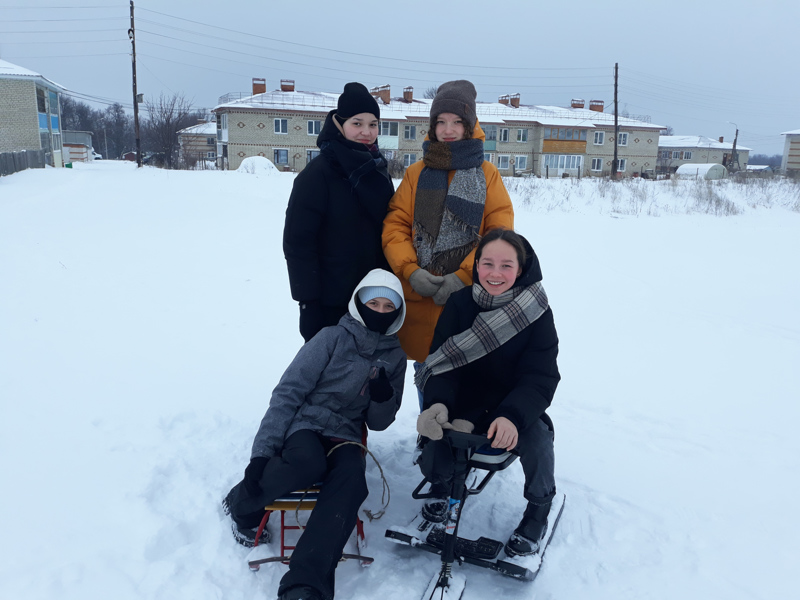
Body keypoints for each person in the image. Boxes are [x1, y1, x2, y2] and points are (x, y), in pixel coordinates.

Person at [223, 269, 407, 600]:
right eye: (373, 303)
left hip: (347, 434)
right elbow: (288, 392)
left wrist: (383, 398)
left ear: (397, 312)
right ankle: (242, 502)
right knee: (307, 464)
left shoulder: (394, 357)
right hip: (307, 423)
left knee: (352, 480)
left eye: (387, 307)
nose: (379, 311)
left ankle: (304, 584)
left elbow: (380, 422)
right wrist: (260, 456)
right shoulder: (331, 338)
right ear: (358, 303)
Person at [413, 228, 560, 558]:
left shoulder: (537, 312)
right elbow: (442, 364)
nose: (495, 274)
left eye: (506, 266)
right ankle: (443, 484)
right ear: (477, 265)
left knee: (537, 439)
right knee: (437, 432)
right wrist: (438, 402)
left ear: (521, 269)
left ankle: (538, 509)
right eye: (487, 263)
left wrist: (511, 416)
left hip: (513, 403)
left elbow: (540, 377)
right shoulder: (460, 303)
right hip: (465, 399)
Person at [382, 79, 514, 399]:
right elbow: (395, 226)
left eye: (457, 122)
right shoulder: (416, 174)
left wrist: (464, 276)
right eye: (440, 122)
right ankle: (429, 438)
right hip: (421, 295)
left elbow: (499, 233)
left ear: (470, 126)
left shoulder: (487, 173)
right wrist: (411, 270)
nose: (448, 129)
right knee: (426, 370)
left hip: (467, 298)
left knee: (466, 373)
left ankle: (456, 442)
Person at [284, 82, 394, 343]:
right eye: (357, 123)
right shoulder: (317, 175)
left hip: (373, 298)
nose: (366, 132)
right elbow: (298, 243)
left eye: (373, 124)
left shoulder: (378, 170)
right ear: (339, 124)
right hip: (331, 302)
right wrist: (307, 302)